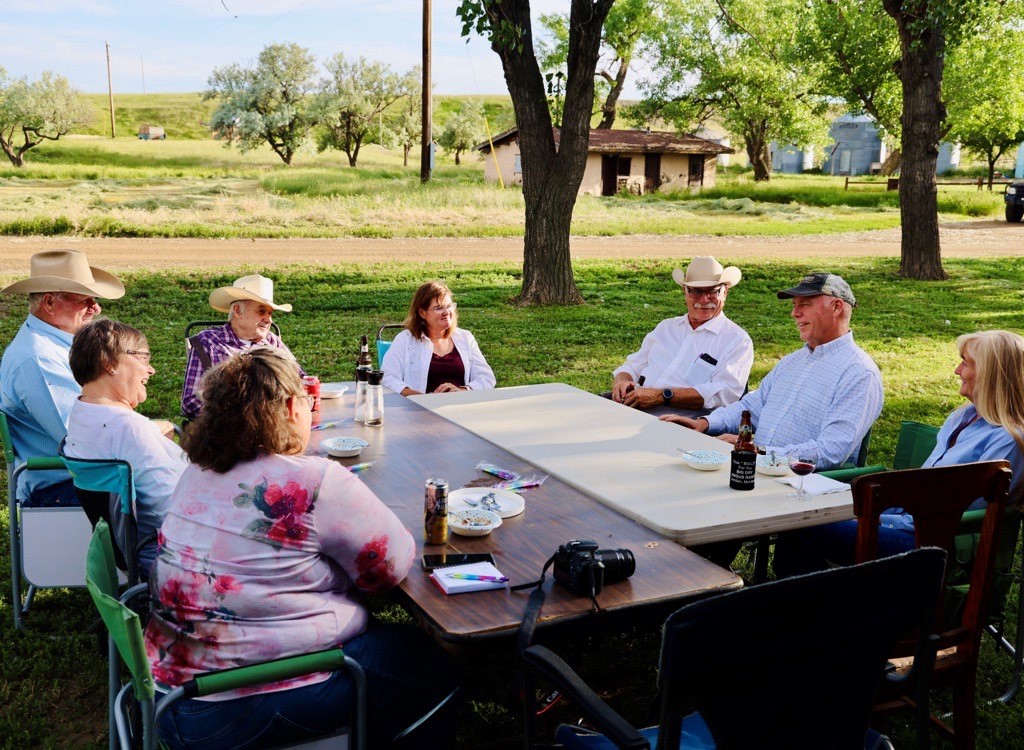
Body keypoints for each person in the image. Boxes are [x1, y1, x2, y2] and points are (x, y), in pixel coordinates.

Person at [146, 348, 459, 750]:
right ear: (292, 406)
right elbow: (390, 570)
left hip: (169, 698)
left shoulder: (196, 470)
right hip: (241, 707)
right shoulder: (312, 480)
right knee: (435, 672)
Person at [773, 330, 1024, 578]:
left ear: (991, 375)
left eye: (965, 363)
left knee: (803, 529)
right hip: (907, 519)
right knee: (800, 519)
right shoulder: (963, 416)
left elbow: (966, 510)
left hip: (934, 541)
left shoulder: (1009, 438)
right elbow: (925, 488)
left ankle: (811, 609)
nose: (957, 371)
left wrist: (883, 519)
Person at [661, 272, 883, 471]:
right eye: (794, 305)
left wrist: (760, 453)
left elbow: (831, 451)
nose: (794, 313)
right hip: (756, 471)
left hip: (801, 484)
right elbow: (752, 407)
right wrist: (705, 423)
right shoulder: (793, 361)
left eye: (804, 304)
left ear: (836, 307)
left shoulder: (859, 373)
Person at [0, 249, 125, 506]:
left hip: (76, 479)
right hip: (60, 487)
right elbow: (82, 439)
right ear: (49, 303)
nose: (96, 308)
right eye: (86, 301)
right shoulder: (40, 358)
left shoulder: (55, 345)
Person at [64, 319, 187, 577]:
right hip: (171, 558)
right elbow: (171, 511)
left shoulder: (81, 414)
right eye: (143, 357)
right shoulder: (128, 428)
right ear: (110, 362)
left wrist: (151, 433)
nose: (150, 369)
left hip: (132, 553)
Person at [611, 256, 753, 411]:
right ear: (685, 292)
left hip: (684, 417)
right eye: (696, 291)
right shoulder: (666, 327)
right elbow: (633, 366)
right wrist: (622, 380)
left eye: (713, 291)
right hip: (635, 405)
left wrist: (660, 396)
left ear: (725, 292)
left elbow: (723, 394)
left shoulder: (737, 340)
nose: (704, 299)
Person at [181, 274, 303, 419]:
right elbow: (189, 403)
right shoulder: (208, 342)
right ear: (238, 311)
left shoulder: (272, 342)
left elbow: (301, 379)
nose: (269, 319)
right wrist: (242, 414)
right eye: (261, 311)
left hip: (275, 426)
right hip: (228, 432)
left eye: (270, 313)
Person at [382, 280, 496, 395]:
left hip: (459, 407)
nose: (446, 312)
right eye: (439, 308)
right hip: (420, 409)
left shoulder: (465, 337)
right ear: (422, 312)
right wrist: (422, 398)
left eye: (449, 306)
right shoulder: (405, 340)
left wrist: (462, 390)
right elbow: (387, 378)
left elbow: (486, 378)